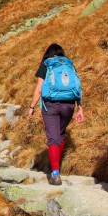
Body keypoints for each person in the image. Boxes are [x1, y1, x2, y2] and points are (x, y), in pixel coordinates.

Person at [28, 43, 84, 185]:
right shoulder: (68, 64)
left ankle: (55, 173)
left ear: (48, 53)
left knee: (53, 138)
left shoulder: (46, 65)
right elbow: (76, 85)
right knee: (60, 133)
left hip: (51, 105)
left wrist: (31, 106)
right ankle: (55, 165)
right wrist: (80, 107)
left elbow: (39, 89)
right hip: (69, 104)